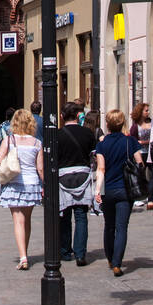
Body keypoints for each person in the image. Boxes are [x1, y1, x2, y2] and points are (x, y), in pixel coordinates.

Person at [94, 108, 144, 276]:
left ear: (107, 124)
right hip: (125, 190)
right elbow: (139, 162)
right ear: (123, 123)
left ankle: (110, 258)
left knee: (109, 226)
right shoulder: (130, 142)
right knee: (122, 227)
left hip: (108, 189)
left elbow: (101, 168)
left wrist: (97, 190)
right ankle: (117, 263)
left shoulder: (102, 144)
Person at [0, 107, 43, 270]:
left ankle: (23, 257)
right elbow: (40, 168)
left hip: (14, 184)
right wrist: (46, 186)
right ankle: (25, 252)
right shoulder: (37, 142)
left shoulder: (9, 140)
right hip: (31, 183)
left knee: (18, 220)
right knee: (27, 220)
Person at [57, 101, 95, 266]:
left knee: (64, 216)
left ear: (62, 116)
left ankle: (65, 252)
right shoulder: (88, 133)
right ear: (78, 115)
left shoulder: (57, 135)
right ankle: (80, 254)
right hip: (83, 175)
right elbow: (93, 156)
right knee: (81, 216)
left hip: (63, 176)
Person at [128, 102, 151, 209]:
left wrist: (146, 142)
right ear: (140, 112)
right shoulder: (135, 126)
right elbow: (132, 140)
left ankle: (150, 195)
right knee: (140, 173)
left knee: (151, 175)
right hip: (140, 153)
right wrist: (141, 143)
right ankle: (139, 195)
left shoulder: (151, 122)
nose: (148, 112)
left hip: (151, 152)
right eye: (146, 110)